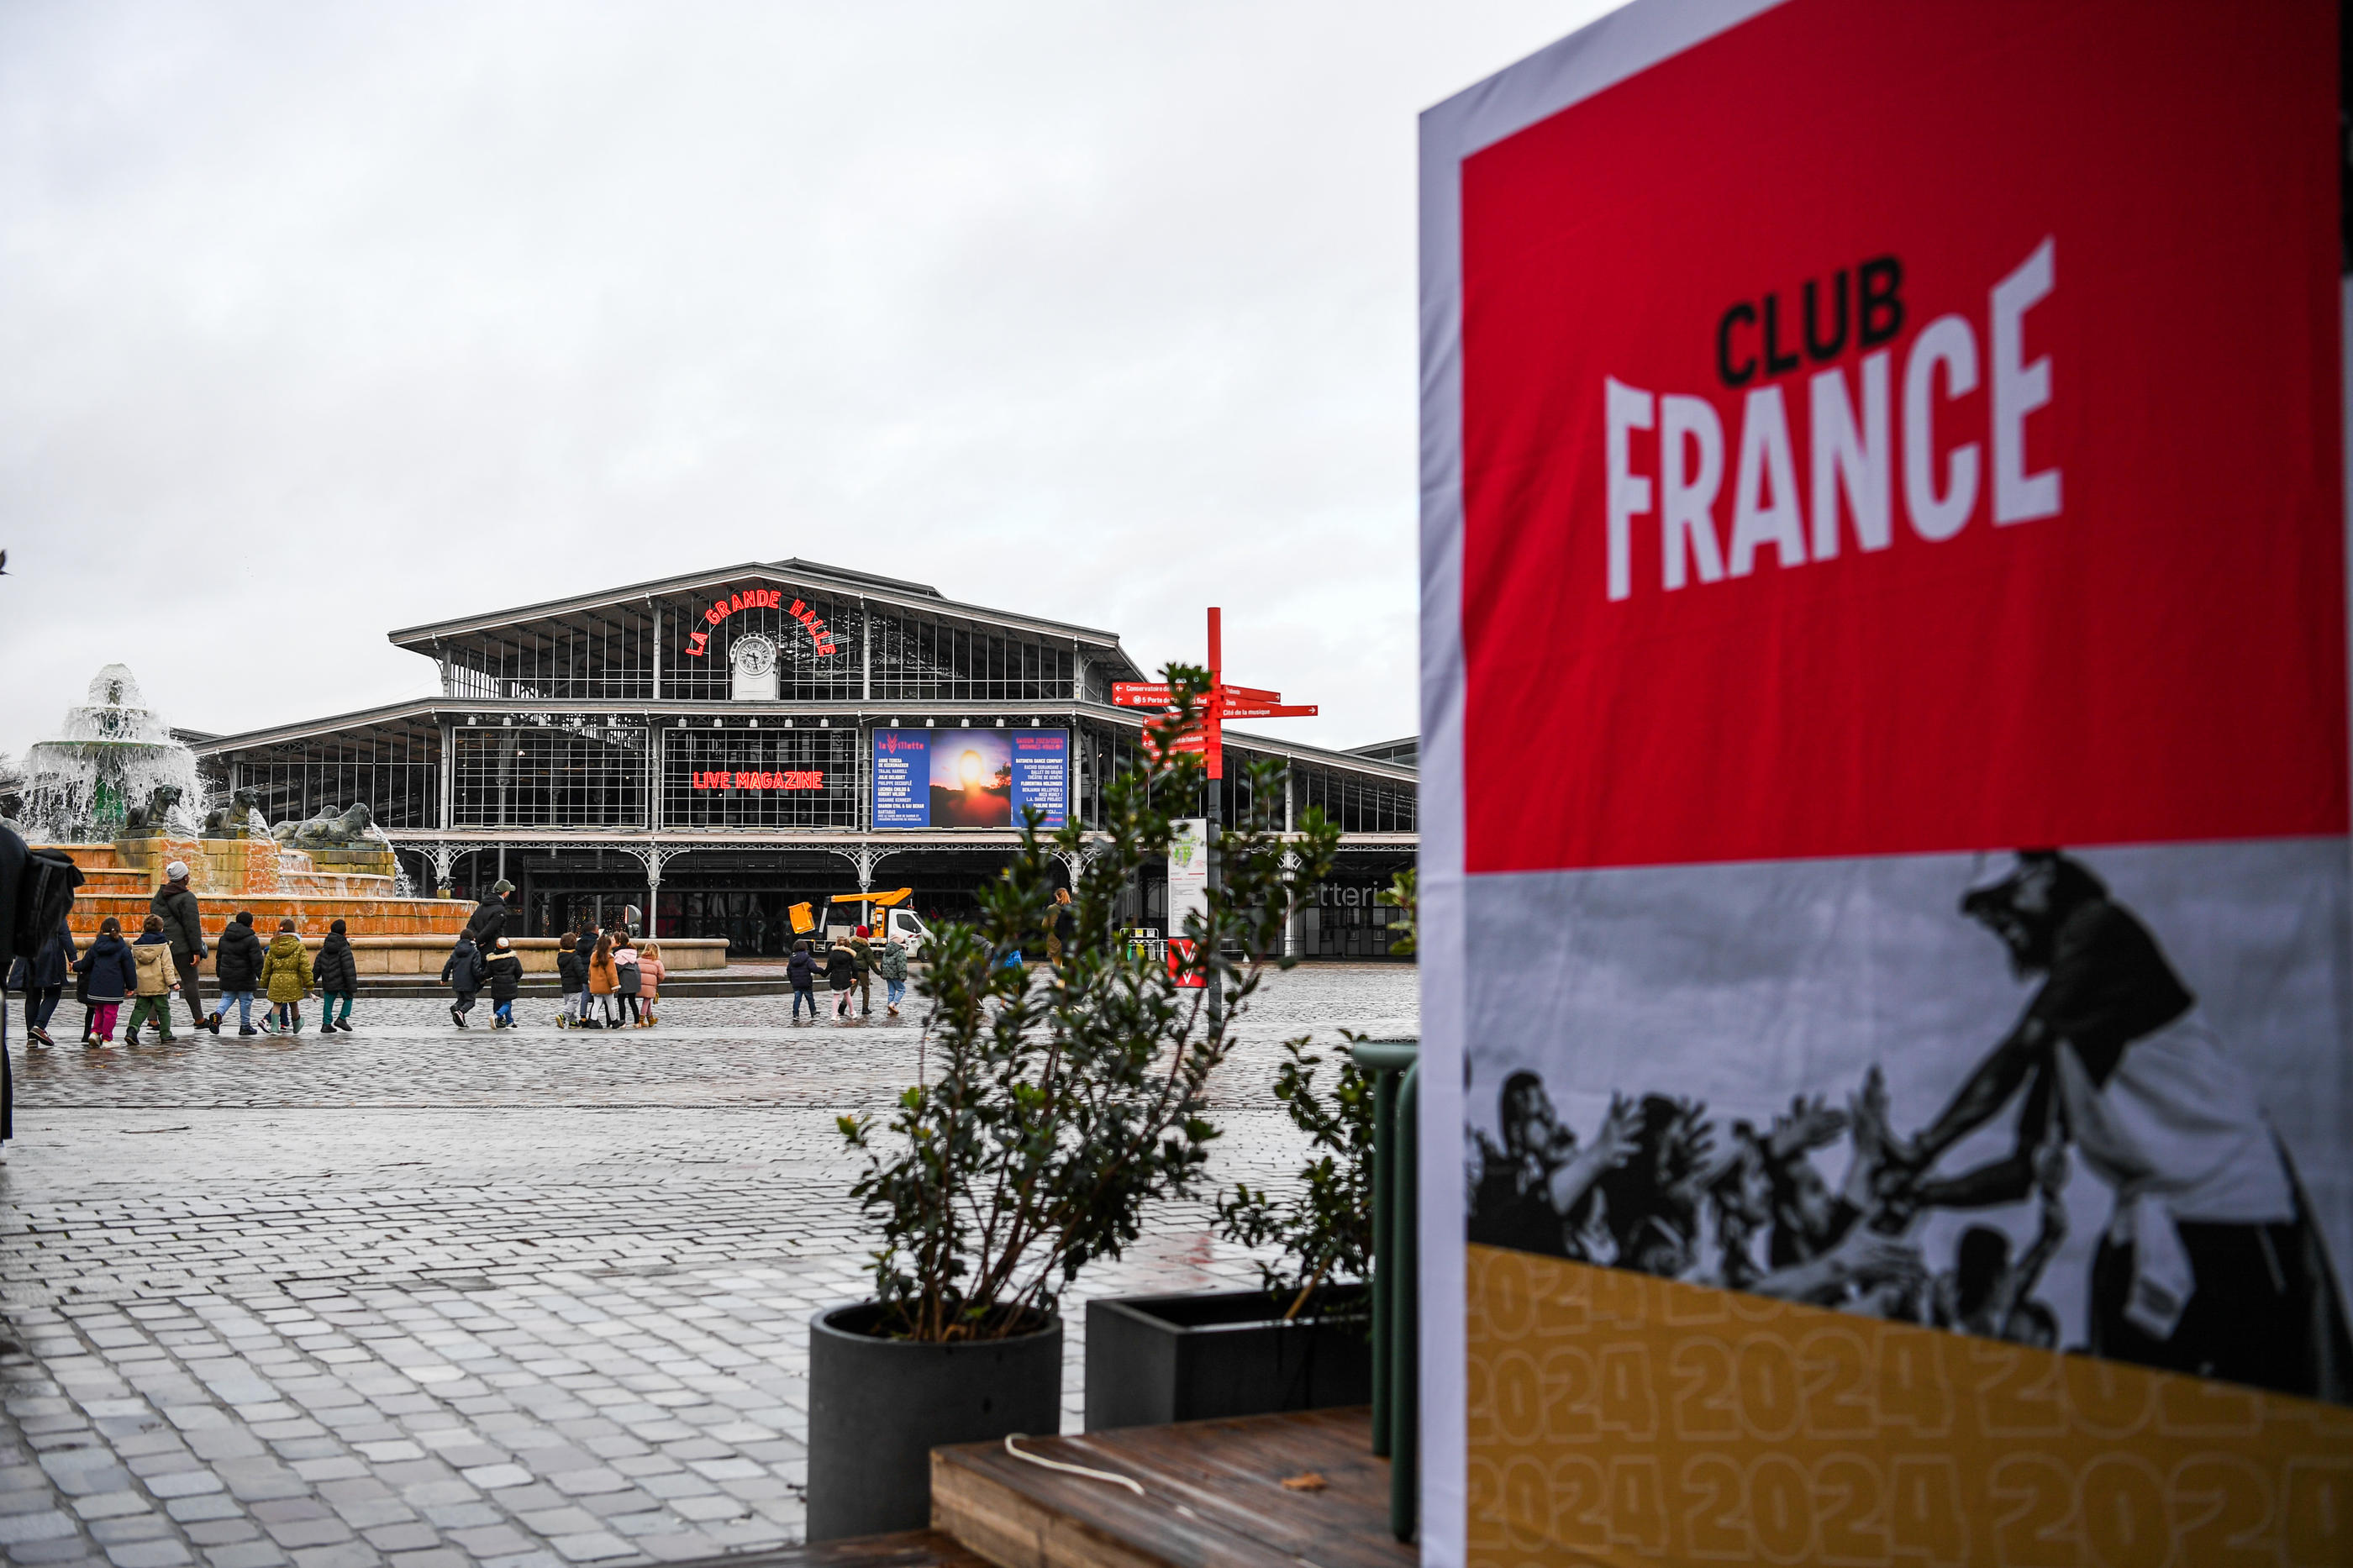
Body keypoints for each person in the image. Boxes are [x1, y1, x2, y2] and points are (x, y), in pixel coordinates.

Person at [1887, 850, 2353, 1402]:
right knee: (2140, 1426)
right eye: (1986, 911)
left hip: (2233, 1217)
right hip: (2150, 1228)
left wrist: (1921, 1149)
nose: (1996, 922)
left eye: (2002, 900)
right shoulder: (2069, 1022)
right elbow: (2021, 1170)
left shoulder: (2100, 929)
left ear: (2044, 877)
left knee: (2259, 1417)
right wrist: (1921, 1192)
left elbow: (2015, 1054)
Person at [150, 860, 217, 1034]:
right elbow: (192, 926)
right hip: (181, 948)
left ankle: (152, 1020)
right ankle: (199, 1019)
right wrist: (196, 950)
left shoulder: (159, 895)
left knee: (159, 982)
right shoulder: (187, 898)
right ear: (185, 878)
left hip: (160, 944)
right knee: (190, 981)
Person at [8, 915, 75, 1047]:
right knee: (54, 992)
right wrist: (72, 957)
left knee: (32, 994)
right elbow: (63, 932)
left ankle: (31, 1038)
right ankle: (39, 1026)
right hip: (49, 953)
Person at [72, 917, 137, 1045]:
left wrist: (74, 966)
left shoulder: (96, 946)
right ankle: (107, 1038)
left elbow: (85, 963)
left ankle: (95, 1033)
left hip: (96, 986)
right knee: (110, 1013)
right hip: (113, 988)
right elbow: (129, 969)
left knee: (99, 1011)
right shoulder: (123, 948)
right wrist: (131, 986)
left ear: (101, 930)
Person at [125, 914, 180, 1043]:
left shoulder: (137, 946)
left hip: (142, 984)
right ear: (161, 930)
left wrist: (131, 984)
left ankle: (132, 1031)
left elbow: (132, 966)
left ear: (144, 929)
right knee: (163, 1010)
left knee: (140, 1009)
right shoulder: (163, 946)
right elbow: (167, 967)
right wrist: (173, 983)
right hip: (158, 984)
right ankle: (165, 1034)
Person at [210, 911, 265, 1036]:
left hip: (227, 974)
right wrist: (262, 976)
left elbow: (219, 957)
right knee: (246, 1000)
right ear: (250, 924)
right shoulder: (251, 939)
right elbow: (257, 961)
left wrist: (219, 973)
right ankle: (245, 1026)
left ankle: (217, 1015)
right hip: (245, 976)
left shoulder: (224, 937)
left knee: (227, 998)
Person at [260, 918, 313, 1034]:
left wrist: (264, 983)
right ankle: (297, 1025)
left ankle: (274, 1027)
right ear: (293, 930)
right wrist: (309, 983)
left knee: (277, 1003)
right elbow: (305, 967)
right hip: (293, 980)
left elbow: (267, 967)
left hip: (276, 979)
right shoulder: (299, 947)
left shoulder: (273, 946)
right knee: (294, 1003)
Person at [314, 919, 357, 1034]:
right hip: (342, 982)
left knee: (328, 1002)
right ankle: (342, 1018)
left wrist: (311, 981)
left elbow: (317, 966)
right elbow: (349, 967)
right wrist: (352, 986)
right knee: (348, 998)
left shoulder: (325, 948)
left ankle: (326, 1024)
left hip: (328, 981)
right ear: (344, 933)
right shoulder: (344, 947)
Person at [441, 933, 485, 1028]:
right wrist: (481, 979)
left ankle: (459, 1014)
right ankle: (460, 1011)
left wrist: (444, 978)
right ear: (471, 939)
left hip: (457, 981)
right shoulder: (474, 952)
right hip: (469, 981)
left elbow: (448, 966)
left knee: (461, 1001)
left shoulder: (456, 951)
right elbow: (476, 968)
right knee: (470, 1002)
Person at [483, 937, 524, 1029]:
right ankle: (496, 1016)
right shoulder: (513, 959)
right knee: (507, 1003)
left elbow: (488, 973)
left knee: (498, 1002)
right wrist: (516, 979)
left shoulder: (492, 960)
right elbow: (519, 971)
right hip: (509, 983)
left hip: (497, 984)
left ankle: (508, 1021)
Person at [463, 879, 514, 950]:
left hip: (478, 951)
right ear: (506, 893)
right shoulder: (500, 910)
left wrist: (476, 939)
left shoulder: (481, 906)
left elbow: (470, 925)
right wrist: (480, 941)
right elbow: (490, 929)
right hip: (492, 950)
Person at [587, 933, 619, 1028]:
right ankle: (614, 1021)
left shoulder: (594, 956)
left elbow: (590, 971)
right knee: (611, 1004)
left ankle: (593, 1020)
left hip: (595, 985)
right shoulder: (609, 957)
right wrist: (615, 985)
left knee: (596, 1003)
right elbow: (611, 974)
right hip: (606, 986)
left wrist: (590, 982)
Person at [555, 933, 586, 1029]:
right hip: (575, 985)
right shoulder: (575, 957)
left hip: (565, 984)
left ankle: (572, 1022)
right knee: (573, 1002)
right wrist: (586, 980)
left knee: (569, 1003)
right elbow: (580, 971)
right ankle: (562, 1015)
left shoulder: (560, 956)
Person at [875, 934, 909, 1018]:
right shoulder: (900, 951)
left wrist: (883, 973)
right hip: (896, 975)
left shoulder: (887, 950)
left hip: (887, 975)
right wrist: (903, 976)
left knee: (891, 992)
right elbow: (902, 965)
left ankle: (889, 1010)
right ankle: (893, 1004)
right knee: (902, 990)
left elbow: (882, 962)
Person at [825, 938, 857, 1019]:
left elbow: (828, 968)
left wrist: (823, 973)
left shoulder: (832, 954)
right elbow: (855, 967)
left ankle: (834, 1015)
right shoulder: (849, 954)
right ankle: (852, 1012)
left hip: (835, 977)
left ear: (837, 944)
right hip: (846, 977)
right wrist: (854, 977)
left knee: (836, 996)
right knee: (847, 995)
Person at [614, 937, 643, 1026]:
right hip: (634, 979)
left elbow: (617, 968)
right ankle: (637, 1022)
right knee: (632, 1001)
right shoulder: (632, 952)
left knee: (621, 1000)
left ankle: (623, 1022)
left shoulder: (620, 954)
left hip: (624, 980)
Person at [636, 942, 666, 1026]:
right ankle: (641, 1020)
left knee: (647, 999)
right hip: (650, 985)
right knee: (646, 1000)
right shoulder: (657, 962)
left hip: (638, 984)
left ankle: (650, 1019)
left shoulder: (638, 960)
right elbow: (661, 975)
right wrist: (657, 982)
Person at [787, 940, 817, 1021]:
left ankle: (795, 1014)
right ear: (805, 947)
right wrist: (822, 971)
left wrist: (792, 980)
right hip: (806, 982)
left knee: (797, 999)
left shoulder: (792, 959)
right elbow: (813, 968)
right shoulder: (808, 958)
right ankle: (813, 1012)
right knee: (810, 998)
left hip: (796, 983)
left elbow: (789, 970)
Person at [850, 926, 876, 1016]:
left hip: (853, 971)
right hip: (863, 971)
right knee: (865, 989)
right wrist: (879, 972)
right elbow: (871, 962)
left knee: (851, 989)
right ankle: (865, 1008)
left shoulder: (851, 946)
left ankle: (842, 1005)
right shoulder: (866, 949)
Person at [1048, 887, 1076, 968]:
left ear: (1057, 896)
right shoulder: (1077, 911)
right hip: (1075, 946)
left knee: (1061, 969)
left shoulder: (1053, 909)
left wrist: (1063, 938)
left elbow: (1047, 926)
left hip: (1059, 943)